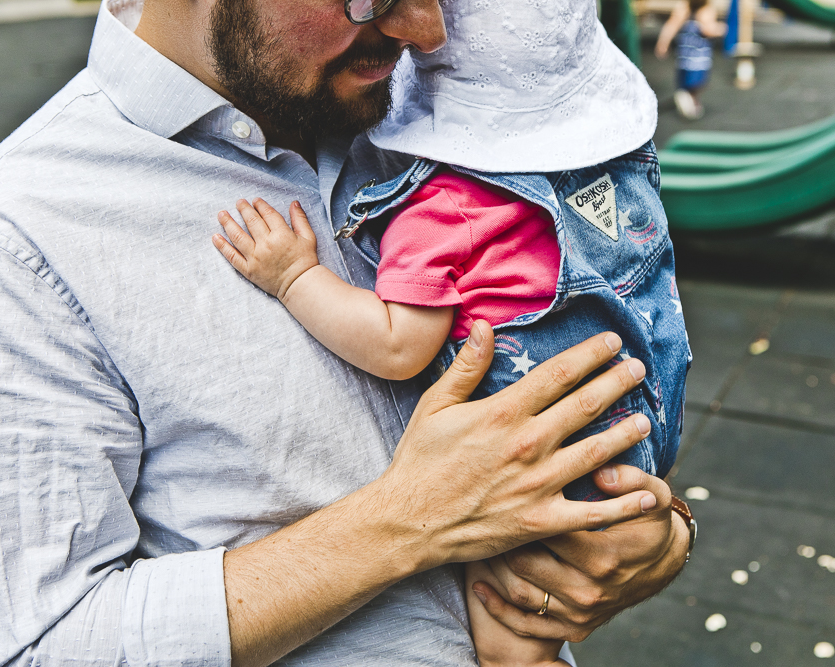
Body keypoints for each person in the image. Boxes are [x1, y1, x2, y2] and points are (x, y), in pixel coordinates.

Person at [0, 0, 693, 665]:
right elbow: (49, 644)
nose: (426, 31)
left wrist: (655, 533)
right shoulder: (11, 242)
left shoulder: (454, 121)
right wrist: (410, 518)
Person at [211, 2, 689, 664]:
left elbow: (399, 347)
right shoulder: (618, 169)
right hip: (636, 428)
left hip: (536, 465)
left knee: (508, 632)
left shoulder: (444, 208)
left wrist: (296, 279)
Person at [655, 0, 727, 120]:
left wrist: (663, 42)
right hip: (698, 58)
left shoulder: (684, 8)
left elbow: (671, 25)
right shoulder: (705, 10)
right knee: (697, 82)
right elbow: (708, 30)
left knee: (687, 80)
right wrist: (721, 29)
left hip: (684, 56)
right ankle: (688, 98)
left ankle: (688, 97)